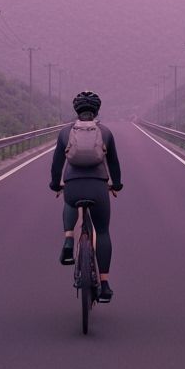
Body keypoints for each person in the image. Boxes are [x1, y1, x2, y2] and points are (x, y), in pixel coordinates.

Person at [49, 90, 123, 302]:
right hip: (99, 187)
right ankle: (105, 284)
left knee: (69, 199)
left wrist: (56, 185)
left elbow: (56, 166)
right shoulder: (106, 132)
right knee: (102, 231)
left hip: (73, 185)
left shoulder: (65, 133)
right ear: (96, 110)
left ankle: (69, 240)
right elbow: (114, 164)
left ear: (76, 110)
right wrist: (116, 184)